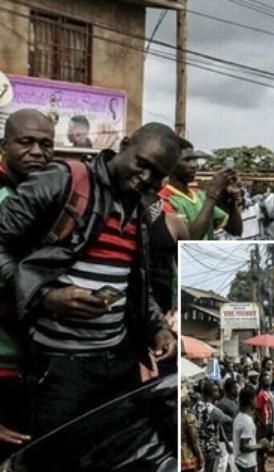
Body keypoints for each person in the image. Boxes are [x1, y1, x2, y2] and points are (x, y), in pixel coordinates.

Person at [0, 122, 179, 437]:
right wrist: (45, 296)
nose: (146, 178)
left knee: (111, 464)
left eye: (157, 175)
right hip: (60, 370)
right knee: (57, 467)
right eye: (142, 164)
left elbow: (135, 284)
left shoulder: (143, 206)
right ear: (124, 145)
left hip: (119, 365)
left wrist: (158, 328)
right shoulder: (63, 179)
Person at [0, 109, 54, 455]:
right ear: (4, 146)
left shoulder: (49, 198)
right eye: (27, 142)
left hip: (34, 368)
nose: (37, 151)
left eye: (46, 144)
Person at [159, 139, 242, 240]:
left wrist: (232, 201)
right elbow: (189, 242)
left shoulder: (200, 196)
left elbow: (236, 230)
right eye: (187, 160)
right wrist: (212, 194)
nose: (194, 165)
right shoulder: (163, 200)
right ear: (170, 164)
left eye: (194, 159)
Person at [194, 380, 230, 472]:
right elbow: (227, 419)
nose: (217, 393)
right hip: (209, 446)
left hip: (197, 445)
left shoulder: (196, 405)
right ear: (210, 392)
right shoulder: (213, 409)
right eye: (215, 391)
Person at [215, 377, 240, 472]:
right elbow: (219, 425)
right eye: (236, 388)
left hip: (234, 438)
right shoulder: (222, 404)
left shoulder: (234, 402)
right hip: (224, 440)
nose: (238, 390)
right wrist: (225, 441)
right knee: (222, 465)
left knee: (235, 465)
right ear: (230, 389)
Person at [254, 373, 274, 472]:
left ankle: (264, 470)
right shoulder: (261, 394)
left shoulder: (269, 393)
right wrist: (262, 423)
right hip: (263, 425)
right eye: (265, 380)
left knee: (265, 449)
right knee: (261, 449)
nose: (268, 382)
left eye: (269, 380)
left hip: (269, 424)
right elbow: (257, 410)